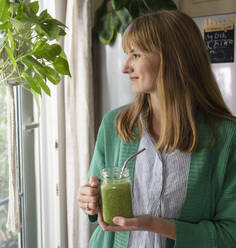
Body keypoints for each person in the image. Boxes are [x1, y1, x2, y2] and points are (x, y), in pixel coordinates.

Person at [77, 10, 236, 248]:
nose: (125, 67)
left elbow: (230, 233)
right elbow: (97, 202)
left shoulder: (225, 137)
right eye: (126, 55)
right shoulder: (114, 125)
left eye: (136, 55)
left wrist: (155, 225)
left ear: (173, 58)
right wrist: (89, 200)